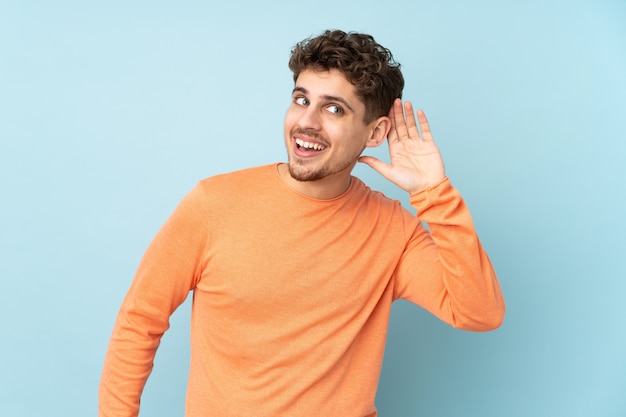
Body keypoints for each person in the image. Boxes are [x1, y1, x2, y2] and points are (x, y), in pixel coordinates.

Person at [99, 29, 505, 417]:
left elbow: (479, 313)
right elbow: (140, 322)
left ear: (376, 131)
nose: (306, 121)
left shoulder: (393, 231)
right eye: (301, 99)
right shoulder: (213, 204)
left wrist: (434, 193)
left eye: (334, 108)